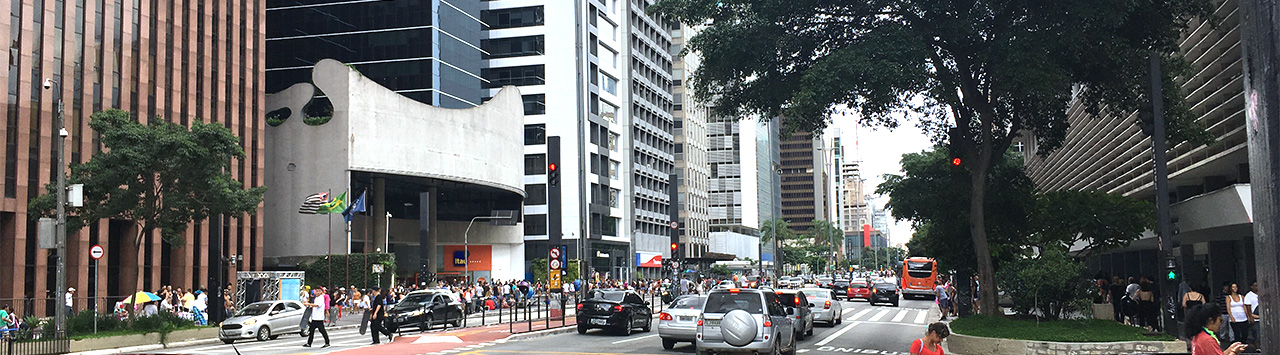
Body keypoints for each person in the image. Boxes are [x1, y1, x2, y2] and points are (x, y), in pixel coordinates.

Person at [1243, 281, 1259, 347]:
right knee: (1257, 335)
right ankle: (1258, 348)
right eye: (1255, 285)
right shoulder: (1249, 295)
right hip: (1255, 318)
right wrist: (1250, 317)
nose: (1257, 287)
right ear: (1252, 287)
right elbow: (1248, 307)